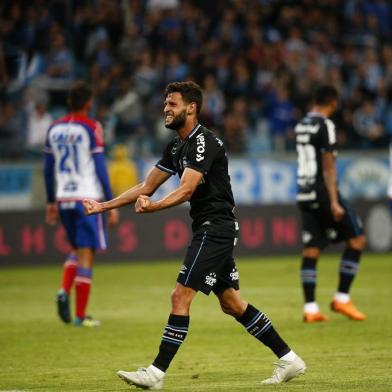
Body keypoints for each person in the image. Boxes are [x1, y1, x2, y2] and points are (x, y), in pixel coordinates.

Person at [83, 81, 306, 389]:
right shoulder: (176, 146)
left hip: (215, 228)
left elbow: (187, 189)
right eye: (165, 104)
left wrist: (154, 207)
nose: (165, 109)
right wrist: (103, 206)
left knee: (180, 295)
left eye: (172, 104)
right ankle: (289, 358)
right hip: (210, 228)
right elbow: (146, 187)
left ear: (191, 108)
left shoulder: (204, 142)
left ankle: (156, 373)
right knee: (231, 303)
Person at [44, 81, 118, 327]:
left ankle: (64, 290)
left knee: (76, 249)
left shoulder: (53, 129)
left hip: (64, 198)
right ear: (88, 103)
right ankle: (79, 316)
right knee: (87, 254)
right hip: (87, 198)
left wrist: (50, 201)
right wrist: (110, 202)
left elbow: (48, 168)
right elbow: (99, 166)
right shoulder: (91, 127)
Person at [295, 85, 367, 323]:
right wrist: (334, 201)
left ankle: (311, 308)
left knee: (312, 249)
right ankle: (342, 298)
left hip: (304, 192)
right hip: (323, 192)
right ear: (333, 103)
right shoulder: (326, 125)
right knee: (356, 239)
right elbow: (328, 165)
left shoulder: (302, 124)